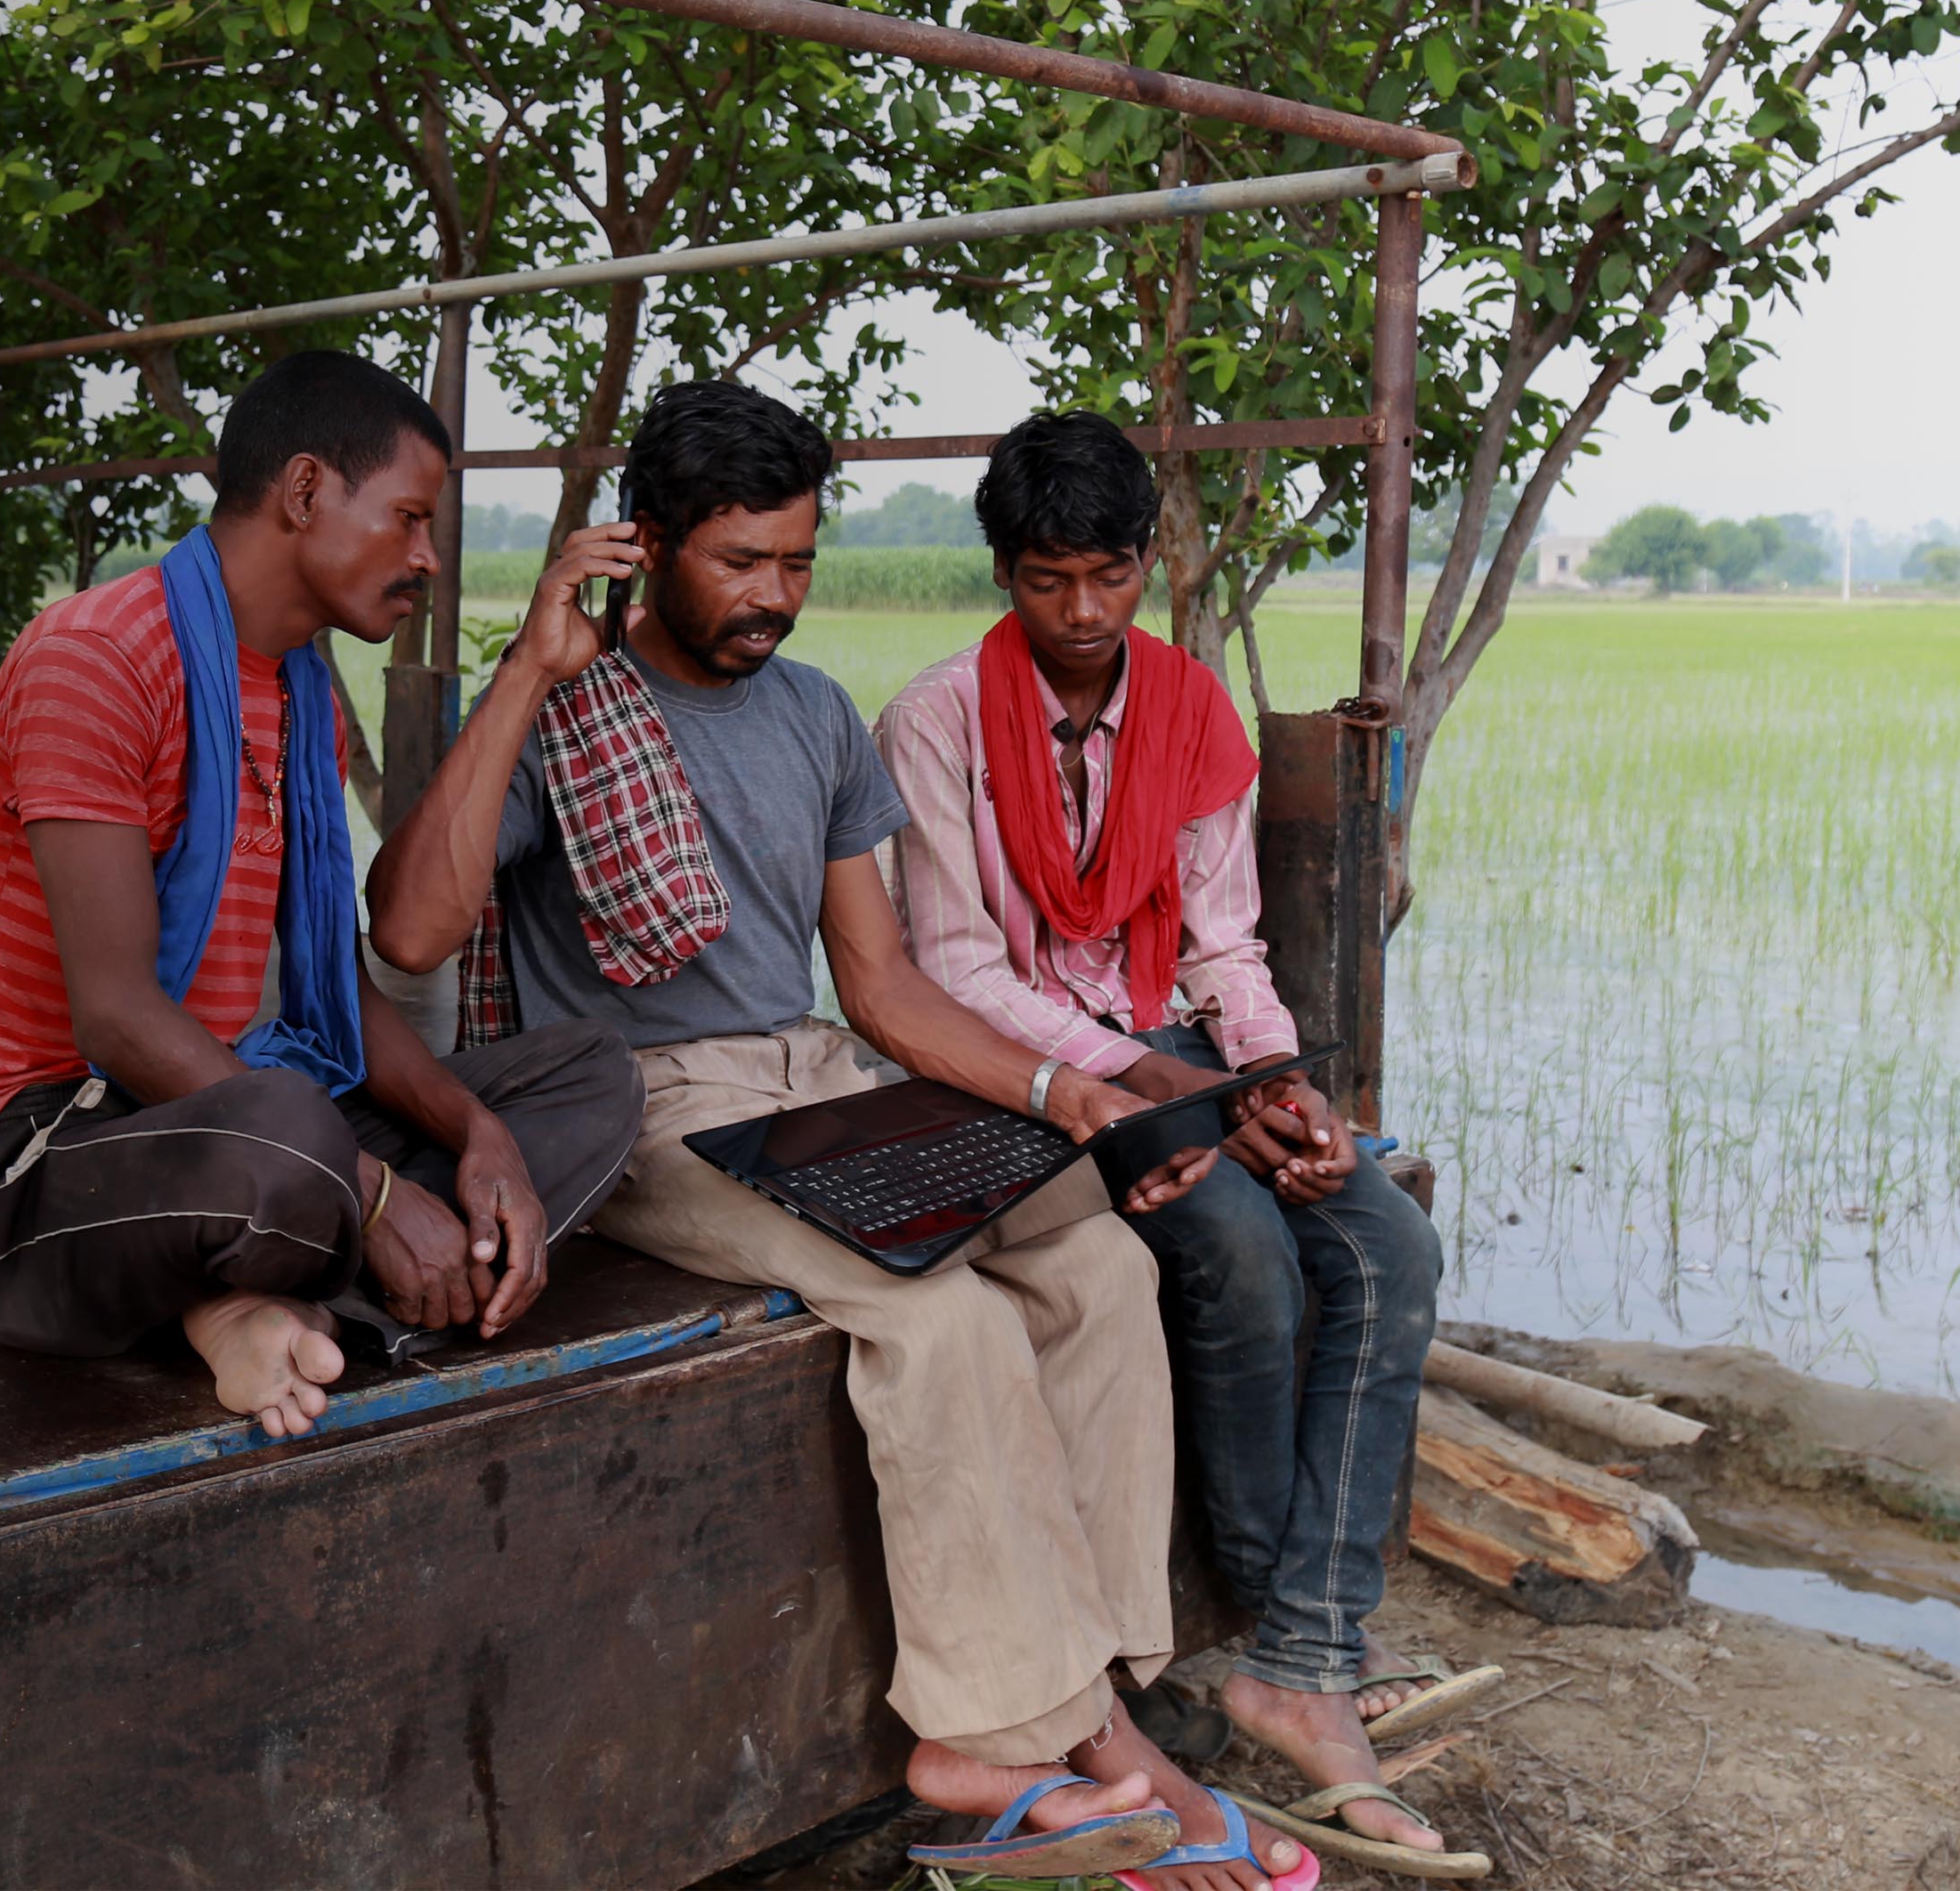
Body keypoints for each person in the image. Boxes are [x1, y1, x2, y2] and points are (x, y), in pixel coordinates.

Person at [367, 383, 1300, 1891]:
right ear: (650, 546)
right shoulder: (567, 709)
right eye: (741, 562)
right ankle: (1012, 1740)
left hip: (811, 1079)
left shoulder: (811, 716)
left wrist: (1075, 1107)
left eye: (797, 562)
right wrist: (526, 678)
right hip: (651, 1104)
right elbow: (406, 925)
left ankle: (1100, 1692)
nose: (774, 599)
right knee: (935, 1323)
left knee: (1098, 1265)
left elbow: (878, 987)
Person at [871, 409, 1457, 1863]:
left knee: (1384, 1234)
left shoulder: (1190, 710)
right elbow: (957, 970)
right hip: (1019, 1077)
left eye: (1111, 579)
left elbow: (1222, 946)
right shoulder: (935, 721)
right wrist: (1166, 1091)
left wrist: (1269, 1078)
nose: (1083, 615)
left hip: (1170, 1044)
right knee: (1241, 1247)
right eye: (1048, 582)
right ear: (1004, 574)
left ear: (1149, 565)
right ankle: (1276, 1616)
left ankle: (1302, 1655)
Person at [0, 349, 644, 1439]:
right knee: (291, 1136)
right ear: (305, 492)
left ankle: (264, 1307)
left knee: (593, 1078)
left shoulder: (303, 686)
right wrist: (380, 1192)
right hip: (49, 1159)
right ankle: (274, 1297)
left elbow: (341, 997)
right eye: (406, 519)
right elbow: (115, 1018)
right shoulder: (97, 659)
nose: (427, 559)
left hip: (239, 1127)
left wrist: (479, 1130)